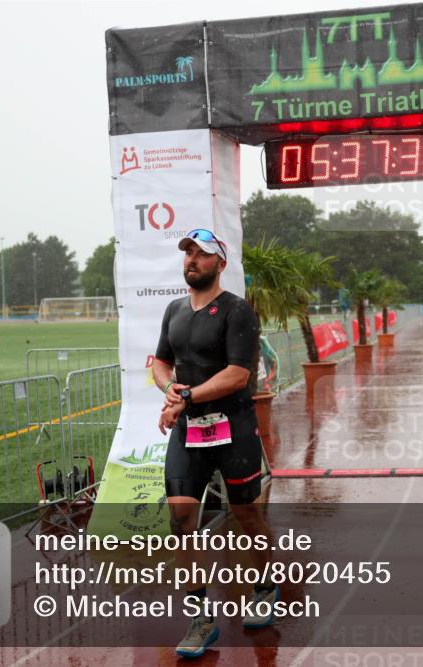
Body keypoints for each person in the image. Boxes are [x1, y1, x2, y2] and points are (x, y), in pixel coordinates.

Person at [151, 228, 278, 659]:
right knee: (181, 518)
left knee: (246, 514)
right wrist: (169, 388)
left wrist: (186, 396)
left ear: (220, 263)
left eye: (201, 254)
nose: (192, 259)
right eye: (188, 252)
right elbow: (161, 363)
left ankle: (265, 586)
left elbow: (238, 374)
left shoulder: (237, 311)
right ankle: (201, 618)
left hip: (233, 428)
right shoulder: (174, 310)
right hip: (189, 431)